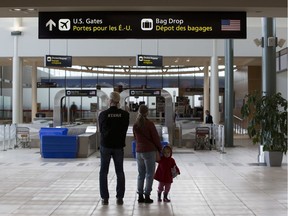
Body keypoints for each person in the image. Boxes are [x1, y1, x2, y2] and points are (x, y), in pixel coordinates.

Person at [98, 91, 130, 205]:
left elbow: (101, 130)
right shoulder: (125, 115)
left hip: (105, 145)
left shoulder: (103, 114)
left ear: (110, 101)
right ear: (118, 101)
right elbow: (125, 129)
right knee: (120, 171)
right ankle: (120, 197)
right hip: (118, 146)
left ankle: (104, 198)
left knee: (103, 172)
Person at [133, 104, 162, 204]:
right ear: (147, 112)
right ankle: (147, 196)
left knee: (141, 174)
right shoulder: (150, 124)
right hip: (149, 151)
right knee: (149, 174)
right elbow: (155, 138)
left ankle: (140, 196)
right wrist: (160, 148)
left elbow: (135, 138)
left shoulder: (135, 124)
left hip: (139, 151)